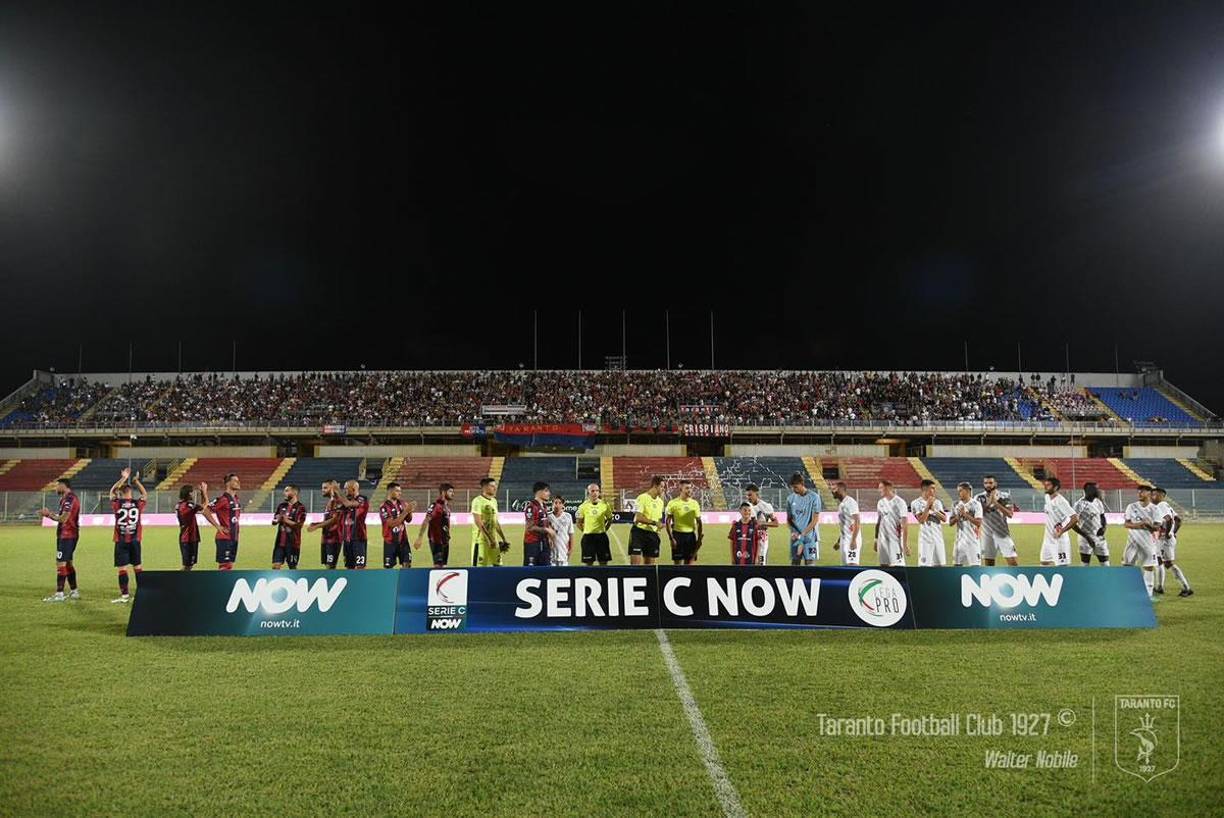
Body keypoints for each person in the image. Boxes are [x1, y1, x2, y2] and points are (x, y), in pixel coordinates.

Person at [109, 468, 146, 603]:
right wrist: (137, 482)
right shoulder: (137, 503)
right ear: (131, 492)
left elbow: (111, 491)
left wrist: (123, 478)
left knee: (122, 568)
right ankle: (143, 593)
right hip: (135, 540)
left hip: (121, 540)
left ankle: (125, 596)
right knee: (138, 567)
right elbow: (144, 494)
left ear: (120, 492)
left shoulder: (117, 503)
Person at [41, 478, 82, 601]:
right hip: (67, 535)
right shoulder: (65, 499)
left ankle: (59, 594)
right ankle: (74, 591)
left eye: (57, 485)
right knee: (68, 563)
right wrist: (51, 514)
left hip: (67, 535)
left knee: (61, 563)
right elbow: (62, 517)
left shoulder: (70, 499)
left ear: (63, 486)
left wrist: (49, 515)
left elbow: (64, 519)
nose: (55, 488)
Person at [1151, 487, 1192, 597]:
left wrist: (1168, 533)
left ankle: (1186, 588)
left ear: (1162, 496)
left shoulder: (1161, 505)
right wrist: (1173, 532)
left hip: (1164, 540)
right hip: (1162, 540)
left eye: (1156, 494)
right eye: (1152, 494)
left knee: (1168, 564)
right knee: (1158, 561)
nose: (1153, 496)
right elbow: (1178, 520)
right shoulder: (1166, 505)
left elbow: (1168, 519)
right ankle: (1159, 587)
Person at [1123, 485, 1160, 598]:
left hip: (1147, 543)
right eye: (1139, 492)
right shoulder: (1131, 506)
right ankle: (1128, 591)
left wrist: (1149, 525)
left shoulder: (1155, 509)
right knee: (1127, 566)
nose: (1139, 494)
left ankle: (1148, 594)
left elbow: (1157, 527)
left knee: (1148, 567)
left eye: (1142, 492)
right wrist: (1141, 524)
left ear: (1149, 493)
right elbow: (1126, 524)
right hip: (1132, 542)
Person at [975, 475, 1018, 566]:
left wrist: (996, 503)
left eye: (990, 483)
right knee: (989, 564)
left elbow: (1010, 514)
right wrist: (990, 502)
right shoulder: (979, 497)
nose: (988, 485)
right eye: (986, 483)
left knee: (1013, 562)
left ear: (995, 483)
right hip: (987, 535)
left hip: (1003, 533)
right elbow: (979, 514)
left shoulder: (1005, 496)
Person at [203, 472, 241, 570]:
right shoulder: (223, 499)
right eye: (235, 481)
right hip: (224, 538)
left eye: (238, 480)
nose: (238, 482)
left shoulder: (236, 499)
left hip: (234, 537)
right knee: (225, 567)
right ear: (228, 483)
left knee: (229, 566)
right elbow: (206, 511)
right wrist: (217, 526)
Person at [1039, 477, 1078, 567]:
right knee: (1044, 563)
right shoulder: (1047, 497)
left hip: (1059, 540)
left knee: (1062, 567)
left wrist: (1062, 531)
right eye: (1045, 484)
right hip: (1048, 539)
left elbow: (1075, 518)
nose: (1045, 486)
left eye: (1048, 485)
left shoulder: (1061, 501)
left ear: (1055, 487)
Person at [786, 472, 821, 566]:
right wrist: (793, 532)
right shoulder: (790, 499)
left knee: (810, 563)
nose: (794, 489)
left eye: (796, 487)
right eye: (792, 487)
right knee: (795, 563)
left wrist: (803, 534)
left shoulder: (814, 497)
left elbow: (815, 520)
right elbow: (789, 519)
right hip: (796, 537)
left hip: (810, 538)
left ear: (802, 484)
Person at [471, 477, 509, 566]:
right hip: (480, 541)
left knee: (498, 565)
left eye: (495, 486)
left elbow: (495, 522)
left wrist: (503, 538)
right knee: (480, 567)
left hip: (494, 540)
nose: (495, 488)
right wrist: (489, 539)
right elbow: (478, 522)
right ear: (484, 487)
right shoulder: (477, 501)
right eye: (492, 486)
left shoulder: (494, 501)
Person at [664, 479, 703, 565]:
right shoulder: (673, 503)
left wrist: (699, 538)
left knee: (689, 564)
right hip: (677, 536)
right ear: (680, 489)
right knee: (677, 565)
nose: (690, 490)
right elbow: (667, 522)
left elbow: (699, 522)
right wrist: (671, 538)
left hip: (691, 536)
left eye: (690, 488)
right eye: (687, 488)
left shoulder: (695, 503)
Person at [334, 479, 371, 569]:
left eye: (346, 488)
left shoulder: (362, 499)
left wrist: (338, 490)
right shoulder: (346, 500)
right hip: (347, 539)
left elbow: (348, 504)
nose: (344, 491)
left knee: (360, 567)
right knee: (349, 567)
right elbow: (338, 507)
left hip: (358, 538)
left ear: (353, 489)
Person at [415, 482, 453, 568]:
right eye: (450, 491)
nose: (452, 494)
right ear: (443, 492)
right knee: (438, 567)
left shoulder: (446, 507)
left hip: (445, 541)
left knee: (444, 567)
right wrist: (420, 537)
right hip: (436, 541)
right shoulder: (435, 505)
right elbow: (426, 520)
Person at [629, 476, 665, 566]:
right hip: (639, 533)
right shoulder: (642, 498)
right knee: (635, 565)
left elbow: (658, 519)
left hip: (652, 534)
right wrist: (655, 523)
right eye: (661, 486)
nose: (663, 489)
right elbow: (638, 517)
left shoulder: (660, 502)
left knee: (650, 568)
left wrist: (658, 529)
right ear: (655, 486)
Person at [379, 482, 416, 569]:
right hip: (390, 542)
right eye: (397, 491)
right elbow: (392, 524)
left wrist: (410, 511)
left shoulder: (402, 503)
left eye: (400, 491)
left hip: (403, 541)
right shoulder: (384, 507)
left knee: (407, 565)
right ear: (390, 491)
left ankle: (405, 578)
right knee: (389, 568)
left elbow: (409, 520)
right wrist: (406, 511)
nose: (400, 493)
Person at [308, 480, 343, 569]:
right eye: (322, 488)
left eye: (325, 488)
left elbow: (335, 519)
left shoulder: (338, 501)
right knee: (328, 565)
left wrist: (317, 526)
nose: (322, 490)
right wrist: (316, 523)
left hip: (334, 539)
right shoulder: (330, 502)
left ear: (333, 488)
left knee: (330, 566)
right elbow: (328, 519)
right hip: (326, 538)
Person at [575, 483, 614, 566]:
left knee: (603, 563)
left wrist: (605, 529)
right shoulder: (583, 506)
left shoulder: (605, 505)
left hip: (602, 537)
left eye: (597, 491)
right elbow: (578, 523)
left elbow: (610, 519)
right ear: (588, 492)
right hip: (588, 538)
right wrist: (585, 531)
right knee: (589, 564)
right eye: (592, 491)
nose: (595, 493)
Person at [910, 479, 946, 567]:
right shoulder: (916, 503)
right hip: (925, 540)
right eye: (932, 488)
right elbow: (921, 520)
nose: (934, 490)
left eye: (934, 488)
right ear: (924, 489)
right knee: (924, 567)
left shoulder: (937, 502)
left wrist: (934, 510)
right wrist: (927, 506)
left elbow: (944, 518)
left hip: (938, 539)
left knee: (940, 566)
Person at [1073, 482, 1110, 566]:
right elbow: (1073, 524)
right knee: (1085, 564)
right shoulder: (1079, 504)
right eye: (1095, 489)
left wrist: (1104, 527)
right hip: (1085, 538)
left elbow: (1102, 516)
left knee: (1105, 563)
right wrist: (1086, 537)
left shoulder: (1098, 502)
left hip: (1099, 537)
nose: (1098, 491)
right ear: (1087, 491)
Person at [874, 479, 909, 567]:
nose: (879, 490)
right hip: (882, 541)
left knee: (898, 567)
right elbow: (879, 522)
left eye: (881, 488)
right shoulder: (880, 503)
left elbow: (905, 525)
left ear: (888, 488)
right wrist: (876, 539)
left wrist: (905, 544)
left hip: (895, 541)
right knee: (884, 566)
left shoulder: (900, 502)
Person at [271, 484, 307, 569]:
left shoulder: (301, 508)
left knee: (292, 567)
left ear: (295, 492)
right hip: (280, 543)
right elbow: (274, 521)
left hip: (293, 543)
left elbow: (299, 525)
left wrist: (285, 520)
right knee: (275, 566)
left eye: (287, 491)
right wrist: (277, 520)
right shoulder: (281, 506)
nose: (284, 493)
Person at [949, 482, 982, 566]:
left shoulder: (976, 504)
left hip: (972, 542)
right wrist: (957, 517)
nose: (958, 493)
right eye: (958, 491)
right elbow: (950, 523)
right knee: (957, 567)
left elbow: (978, 523)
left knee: (975, 567)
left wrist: (965, 514)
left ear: (967, 491)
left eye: (960, 491)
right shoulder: (955, 504)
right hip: (959, 543)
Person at [744, 484, 778, 565]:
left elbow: (776, 523)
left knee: (761, 563)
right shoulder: (746, 507)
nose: (748, 497)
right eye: (747, 495)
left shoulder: (766, 506)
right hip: (749, 538)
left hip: (762, 540)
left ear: (757, 494)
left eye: (750, 495)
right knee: (749, 562)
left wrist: (762, 523)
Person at [522, 481, 554, 566]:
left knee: (545, 568)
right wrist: (547, 530)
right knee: (531, 570)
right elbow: (529, 527)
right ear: (539, 492)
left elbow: (544, 523)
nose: (549, 493)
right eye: (546, 491)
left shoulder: (544, 506)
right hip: (533, 544)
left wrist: (549, 537)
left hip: (544, 543)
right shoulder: (531, 506)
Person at [830, 481, 861, 565]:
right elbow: (845, 526)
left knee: (852, 565)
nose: (832, 491)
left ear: (841, 490)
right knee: (845, 567)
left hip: (851, 539)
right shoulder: (841, 505)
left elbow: (857, 521)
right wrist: (839, 541)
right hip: (844, 540)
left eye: (834, 489)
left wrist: (853, 540)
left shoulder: (850, 502)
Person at [176, 483, 205, 571]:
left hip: (188, 537)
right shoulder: (188, 505)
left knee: (189, 566)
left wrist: (202, 494)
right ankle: (176, 578)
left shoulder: (180, 505)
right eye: (192, 492)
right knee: (187, 566)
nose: (193, 494)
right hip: (188, 538)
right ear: (188, 493)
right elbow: (204, 506)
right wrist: (204, 493)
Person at [547, 496, 574, 566]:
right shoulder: (548, 516)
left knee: (563, 571)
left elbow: (571, 534)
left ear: (563, 505)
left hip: (564, 551)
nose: (557, 505)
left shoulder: (568, 516)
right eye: (555, 503)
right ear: (552, 504)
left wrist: (571, 549)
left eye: (560, 503)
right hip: (551, 553)